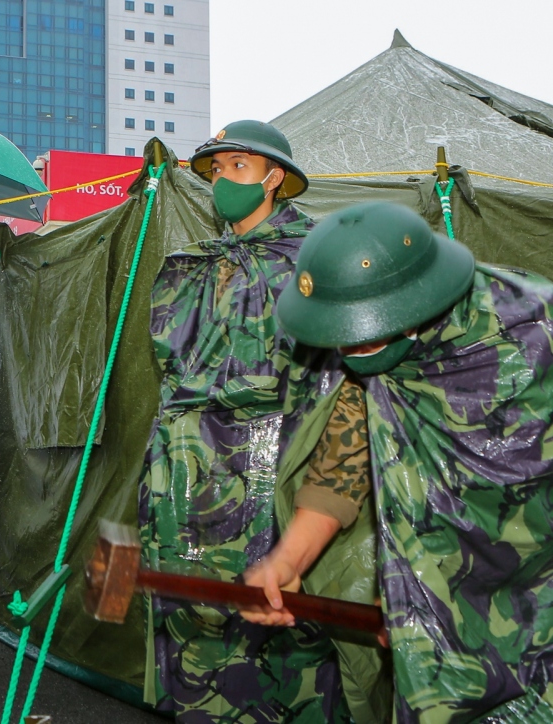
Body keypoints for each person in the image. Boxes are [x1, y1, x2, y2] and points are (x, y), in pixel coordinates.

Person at [241, 202, 553, 722]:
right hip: (438, 631)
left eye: (363, 332)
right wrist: (287, 562)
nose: (350, 348)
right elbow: (343, 460)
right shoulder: (372, 362)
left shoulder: (534, 337)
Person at [136, 120, 351, 720]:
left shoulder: (318, 260)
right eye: (216, 170)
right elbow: (172, 378)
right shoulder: (191, 266)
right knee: (192, 627)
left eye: (238, 167)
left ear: (273, 178)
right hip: (185, 481)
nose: (223, 181)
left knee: (285, 636)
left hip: (272, 477)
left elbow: (333, 381)